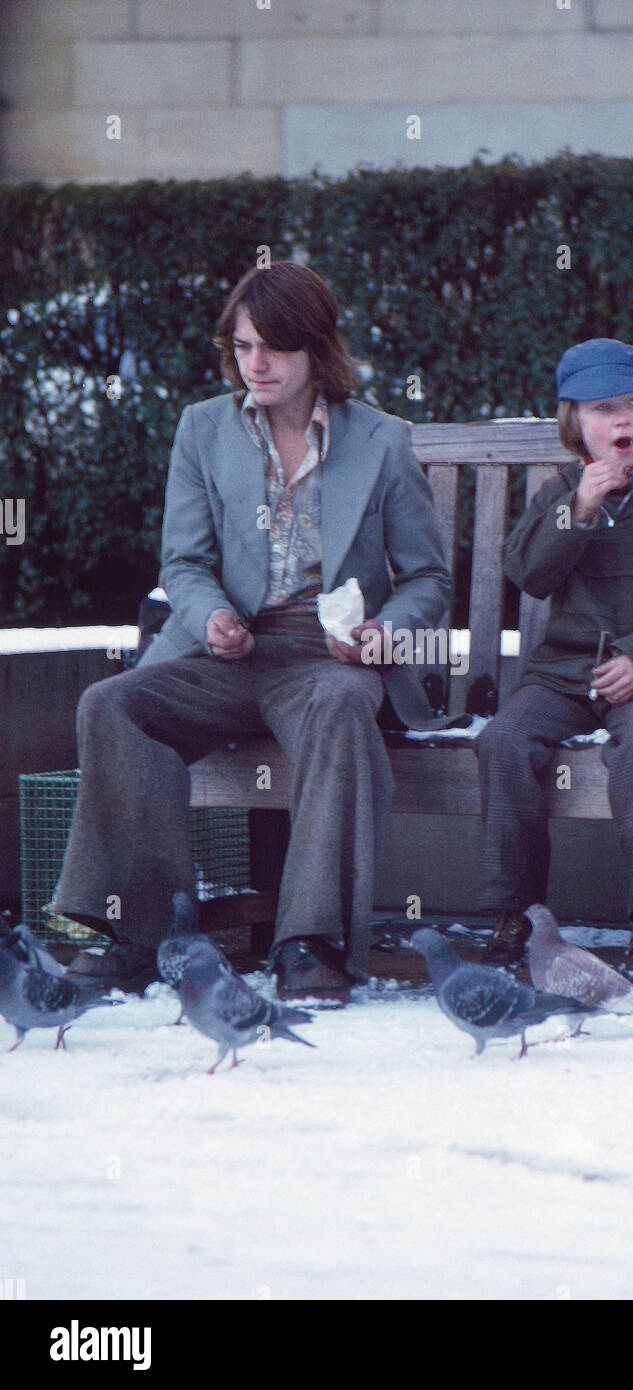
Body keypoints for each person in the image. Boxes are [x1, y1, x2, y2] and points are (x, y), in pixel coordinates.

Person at [54, 262, 450, 999]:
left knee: (338, 706)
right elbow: (185, 560)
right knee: (111, 704)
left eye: (274, 347)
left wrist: (381, 632)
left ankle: (309, 942)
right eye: (242, 347)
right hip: (226, 649)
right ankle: (138, 933)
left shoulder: (382, 442)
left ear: (316, 349)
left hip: (326, 657)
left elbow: (428, 578)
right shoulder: (202, 429)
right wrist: (210, 615)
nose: (256, 364)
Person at [476, 338, 633, 980]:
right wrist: (579, 508)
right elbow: (527, 574)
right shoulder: (561, 492)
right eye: (603, 409)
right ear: (574, 424)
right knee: (503, 741)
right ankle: (518, 915)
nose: (622, 420)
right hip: (565, 675)